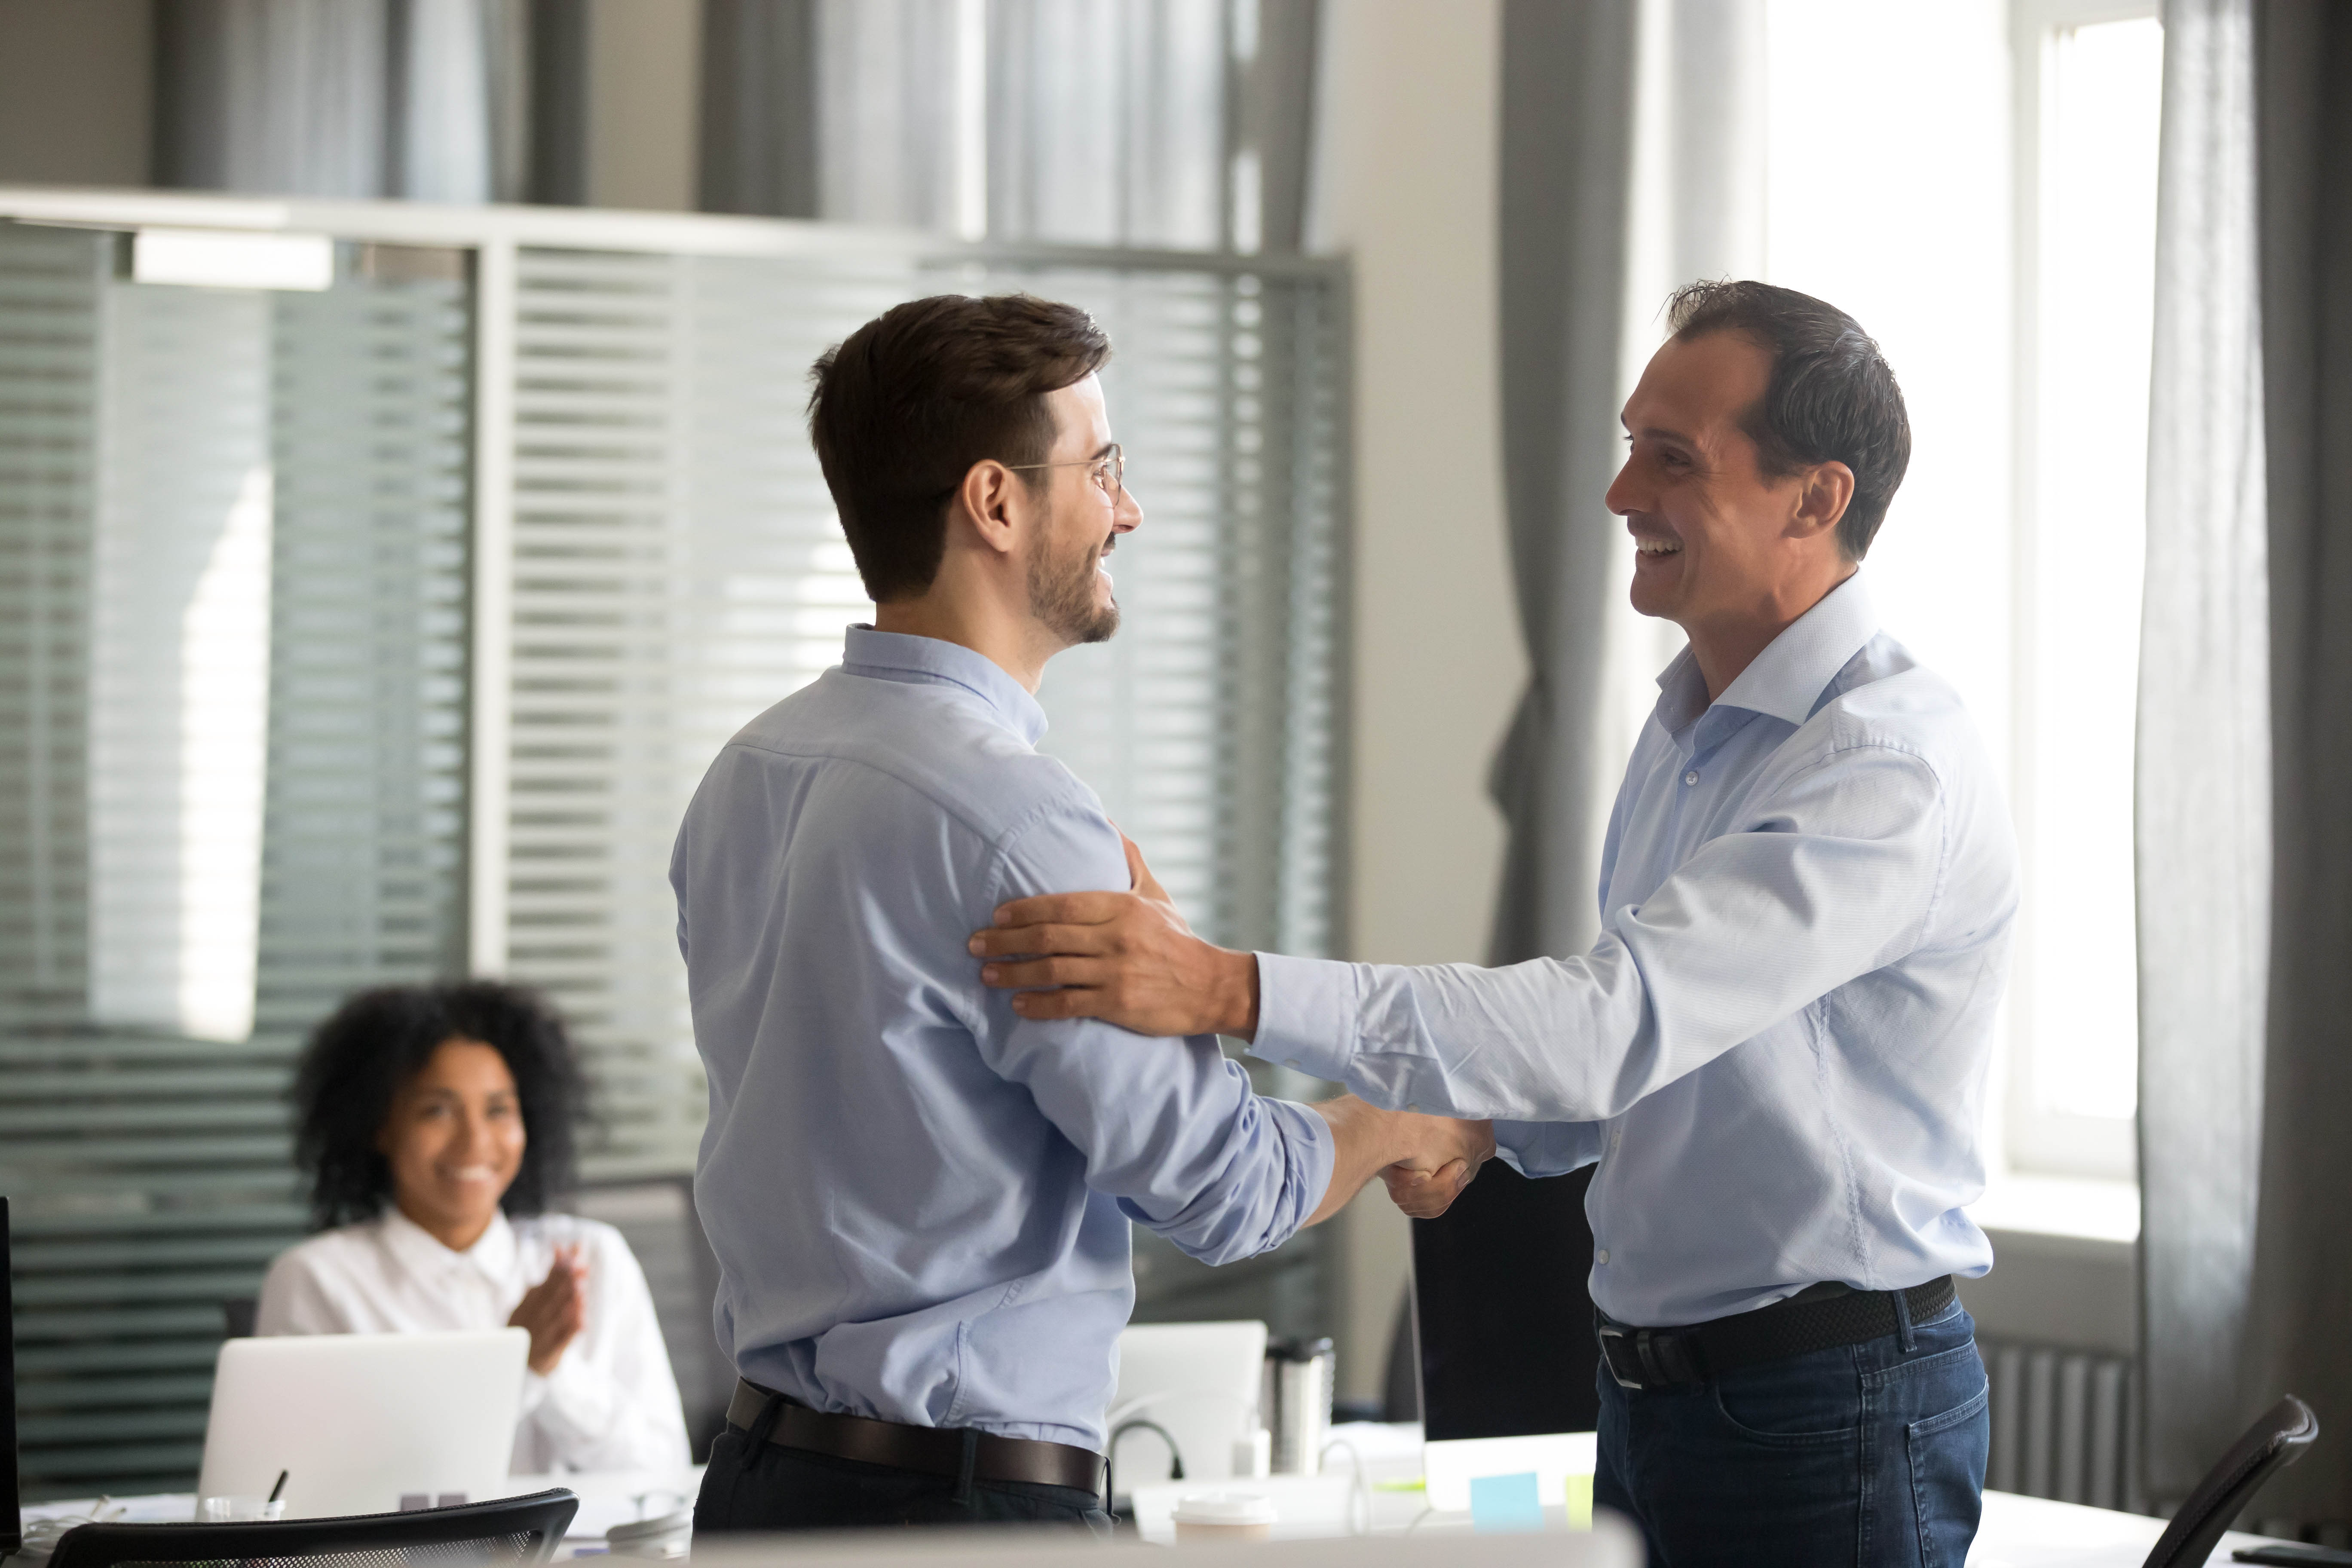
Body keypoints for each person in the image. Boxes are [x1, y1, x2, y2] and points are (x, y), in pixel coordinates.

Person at [970, 280, 2020, 1567]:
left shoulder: (1884, 763)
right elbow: (1654, 1072)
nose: (1623, 493)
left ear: (1818, 497)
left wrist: (1226, 988)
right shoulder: (1691, 722)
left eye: (1674, 459)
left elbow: (1610, 1026)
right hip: (1657, 1397)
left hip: (1823, 1409)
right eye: (1634, 444)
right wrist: (1468, 1124)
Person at [672, 293, 1492, 1536]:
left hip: (757, 1487)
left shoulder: (749, 772)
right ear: (995, 502)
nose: (1129, 508)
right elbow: (1218, 1189)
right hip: (952, 1510)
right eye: (1103, 468)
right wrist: (1383, 1123)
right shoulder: (1015, 819)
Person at [258, 982, 692, 1476]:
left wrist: (556, 1372)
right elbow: (307, 1490)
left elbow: (663, 1470)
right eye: (437, 1111)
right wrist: (518, 1365)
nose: (475, 1141)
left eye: (498, 1110)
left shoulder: (591, 1257)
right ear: (380, 1126)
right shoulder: (319, 1281)